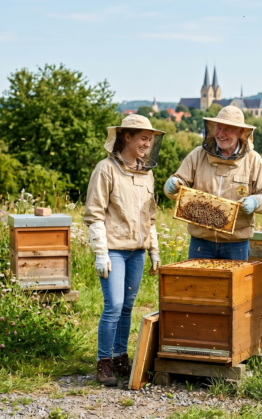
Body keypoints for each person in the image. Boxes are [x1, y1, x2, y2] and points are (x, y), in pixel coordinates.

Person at [83, 114, 164, 386]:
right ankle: (103, 362)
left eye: (150, 139)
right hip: (114, 251)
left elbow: (149, 217)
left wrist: (154, 251)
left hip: (137, 252)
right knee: (114, 306)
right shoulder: (105, 169)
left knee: (128, 306)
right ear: (126, 137)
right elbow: (94, 215)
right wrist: (101, 253)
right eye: (143, 137)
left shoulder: (147, 173)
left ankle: (120, 356)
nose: (147, 143)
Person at [164, 106, 262, 260]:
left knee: (234, 285)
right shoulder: (197, 155)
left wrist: (255, 201)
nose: (221, 134)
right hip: (201, 242)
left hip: (236, 244)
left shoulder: (253, 160)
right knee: (198, 284)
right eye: (218, 128)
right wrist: (174, 184)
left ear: (240, 132)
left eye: (227, 129)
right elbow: (179, 184)